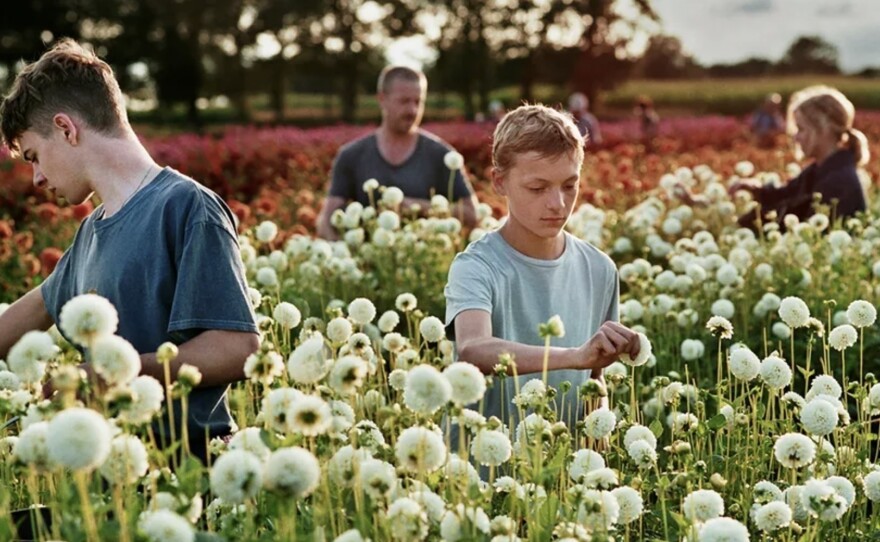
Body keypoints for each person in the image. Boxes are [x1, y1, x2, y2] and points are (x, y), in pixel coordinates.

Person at [0, 39, 260, 461]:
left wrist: (113, 375)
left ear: (66, 129)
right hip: (113, 477)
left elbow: (236, 348)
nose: (37, 179)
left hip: (191, 472)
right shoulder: (90, 233)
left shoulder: (187, 207)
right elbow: (26, 316)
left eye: (33, 156)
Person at [444, 104, 641, 433]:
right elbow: (473, 349)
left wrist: (598, 433)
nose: (558, 204)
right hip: (483, 471)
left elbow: (595, 379)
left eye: (569, 186)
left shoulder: (600, 269)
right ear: (500, 182)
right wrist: (574, 355)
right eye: (537, 188)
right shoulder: (476, 266)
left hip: (563, 474)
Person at [316, 66, 478, 239]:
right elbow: (326, 221)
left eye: (418, 102)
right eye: (404, 101)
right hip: (368, 261)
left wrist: (417, 206)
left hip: (424, 259)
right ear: (382, 99)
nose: (412, 110)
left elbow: (471, 214)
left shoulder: (442, 155)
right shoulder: (351, 155)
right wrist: (344, 253)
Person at [675, 86, 869, 231]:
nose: (795, 136)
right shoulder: (820, 171)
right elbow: (783, 196)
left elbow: (796, 223)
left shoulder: (838, 182)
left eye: (801, 129)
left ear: (823, 128)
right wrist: (753, 189)